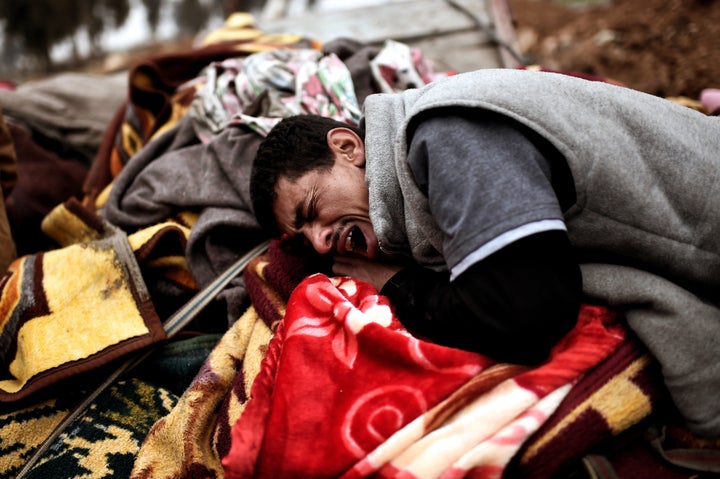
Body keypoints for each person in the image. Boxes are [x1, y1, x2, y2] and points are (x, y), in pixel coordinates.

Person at [250, 68, 720, 437]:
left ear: (347, 146)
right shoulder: (420, 169)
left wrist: (396, 286)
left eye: (312, 209)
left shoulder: (446, 136)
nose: (319, 242)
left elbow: (526, 315)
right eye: (304, 237)